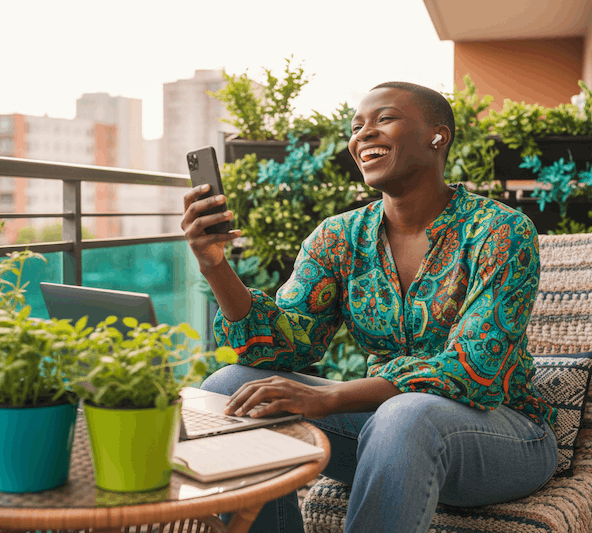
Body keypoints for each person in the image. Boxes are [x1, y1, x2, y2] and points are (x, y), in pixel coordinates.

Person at [181, 82, 559, 533]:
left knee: (406, 412)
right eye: (356, 126)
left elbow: (470, 373)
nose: (363, 135)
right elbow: (282, 346)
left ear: (437, 136)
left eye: (384, 119)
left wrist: (332, 396)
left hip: (503, 436)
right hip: (389, 431)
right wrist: (215, 265)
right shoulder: (340, 237)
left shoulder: (499, 231)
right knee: (230, 386)